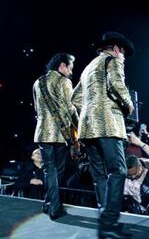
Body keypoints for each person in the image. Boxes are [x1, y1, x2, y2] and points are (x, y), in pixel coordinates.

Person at [72, 31, 134, 238]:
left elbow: (75, 98)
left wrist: (90, 109)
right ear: (117, 49)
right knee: (118, 171)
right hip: (108, 125)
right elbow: (116, 85)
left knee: (100, 176)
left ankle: (104, 218)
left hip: (87, 128)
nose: (123, 56)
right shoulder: (113, 60)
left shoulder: (88, 67)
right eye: (123, 52)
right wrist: (128, 105)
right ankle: (109, 222)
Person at [33, 52, 78, 219]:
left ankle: (48, 203)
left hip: (42, 132)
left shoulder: (38, 82)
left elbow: (37, 109)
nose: (71, 72)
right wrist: (78, 125)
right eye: (70, 68)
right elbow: (70, 108)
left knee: (48, 170)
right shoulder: (64, 81)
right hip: (60, 133)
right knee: (57, 170)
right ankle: (54, 208)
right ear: (62, 66)